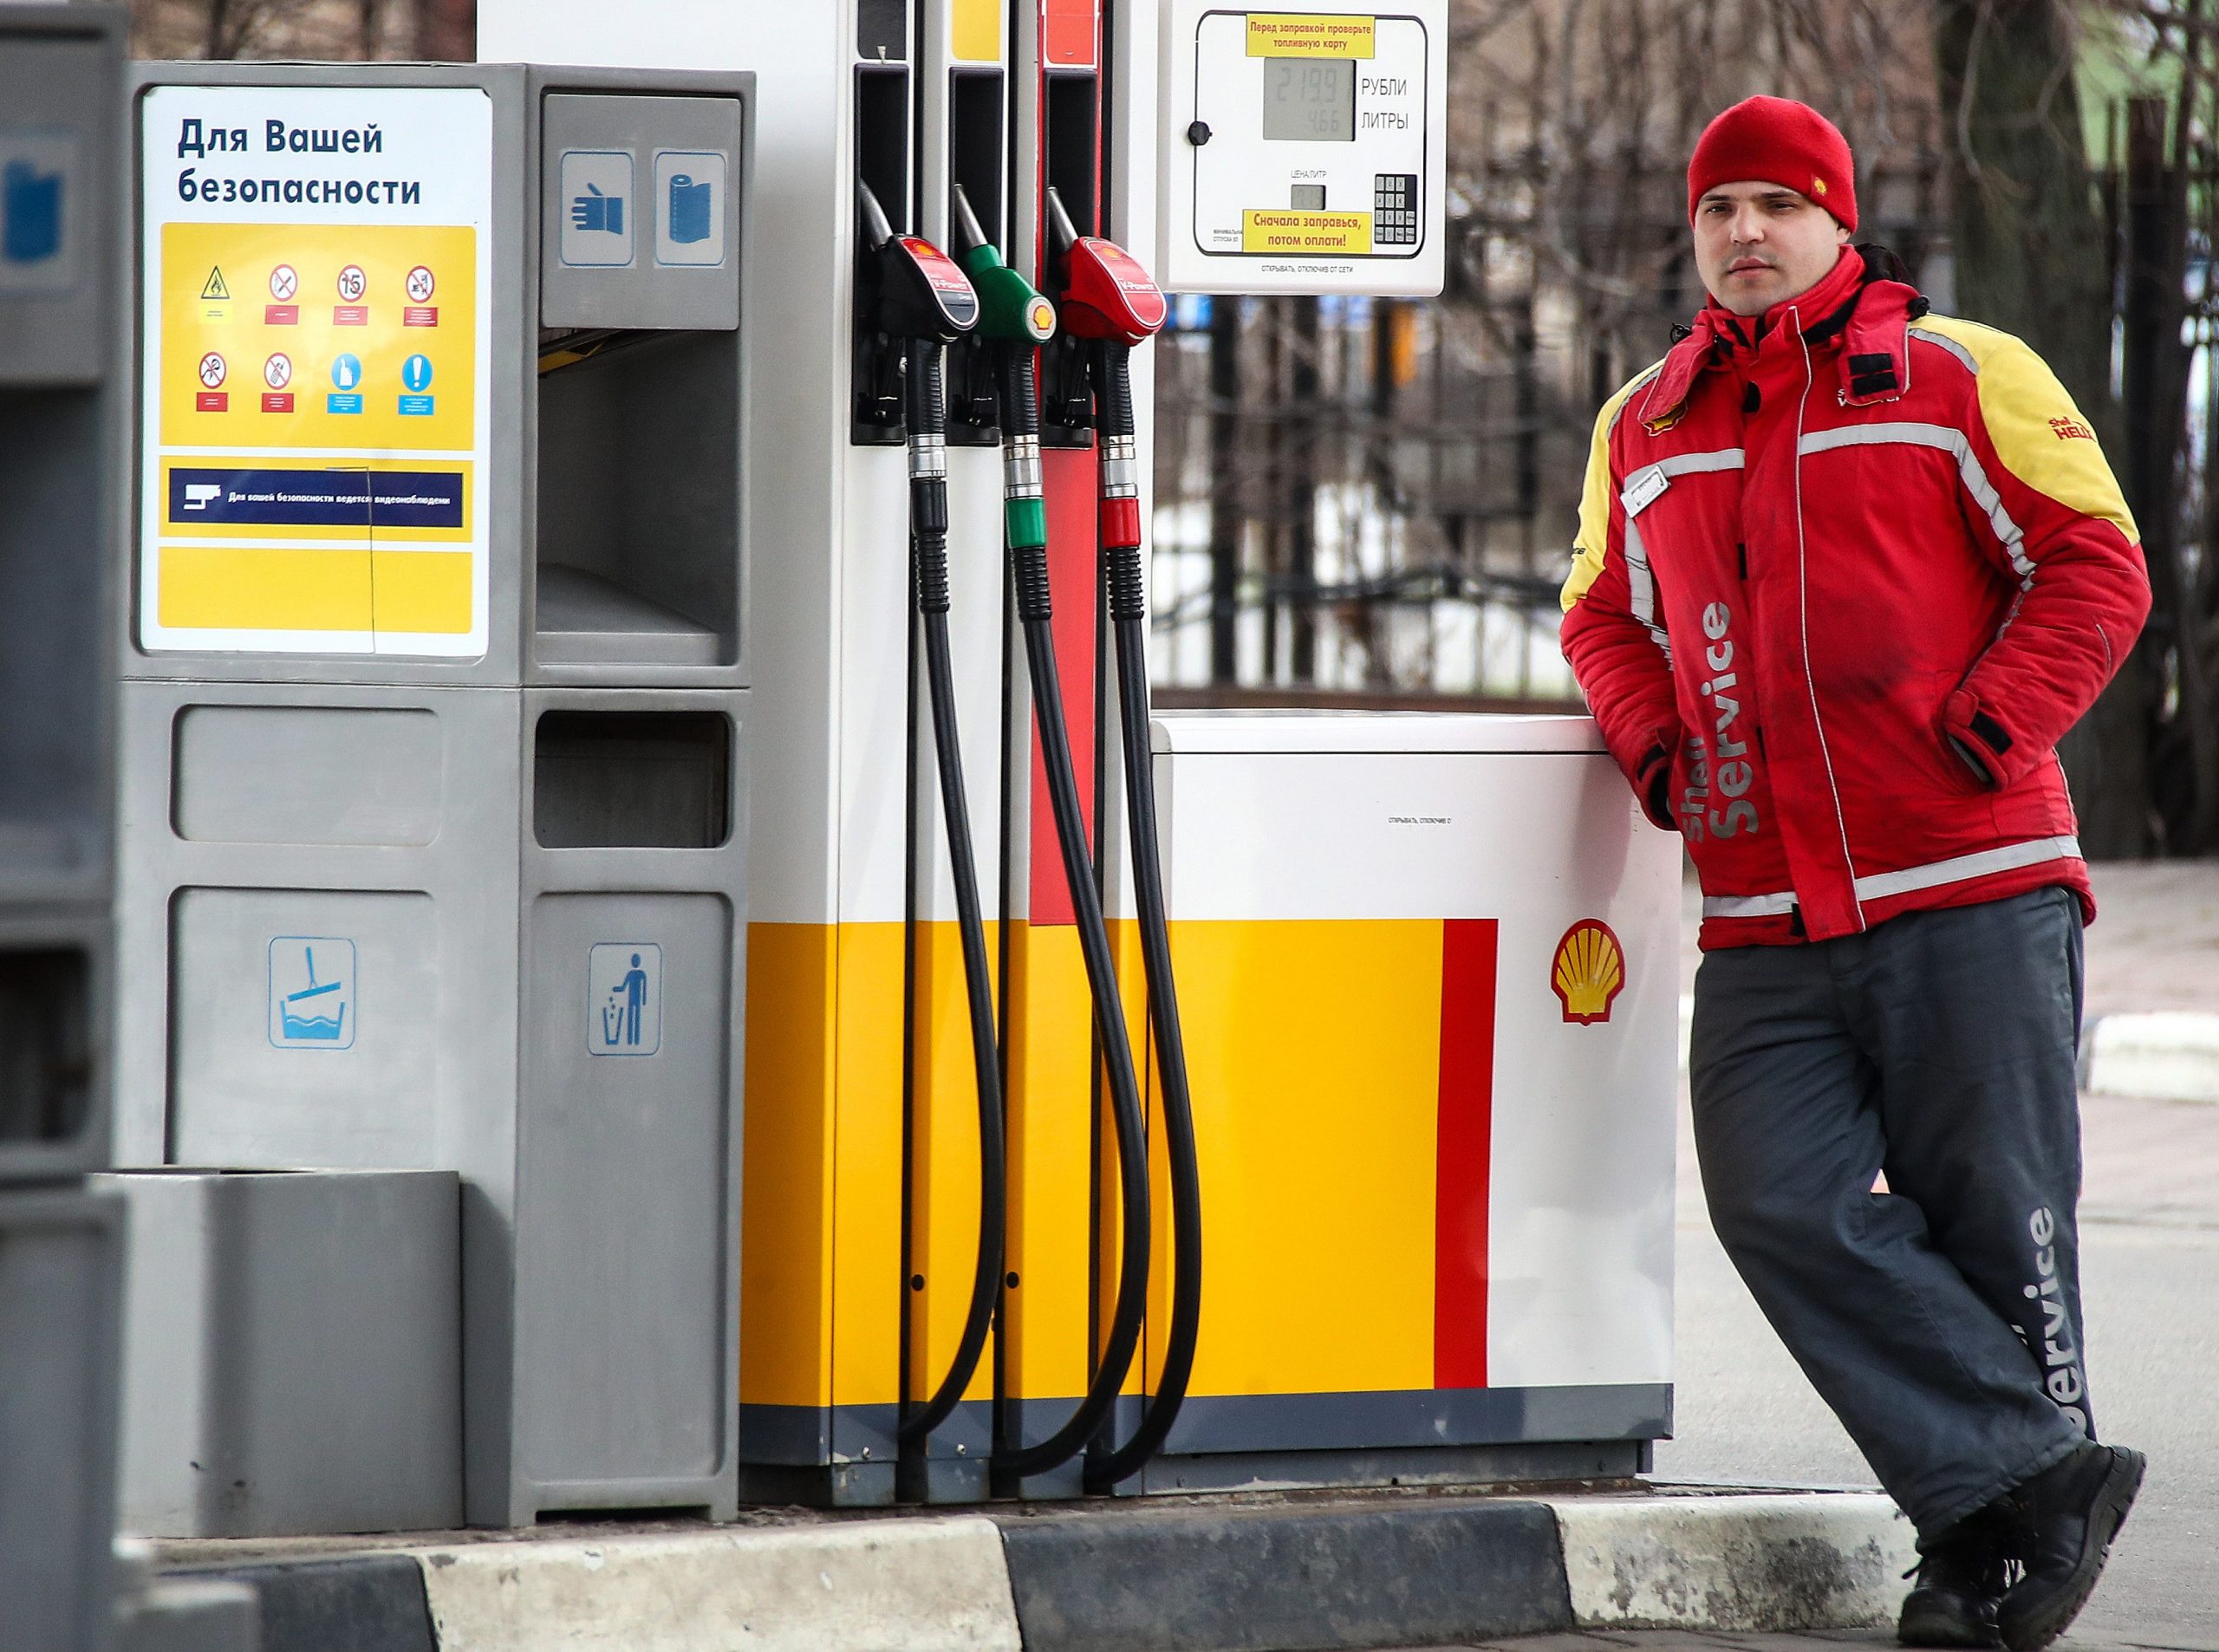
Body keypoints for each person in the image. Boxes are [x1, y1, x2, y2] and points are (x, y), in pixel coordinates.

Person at [1559, 96, 2151, 1651]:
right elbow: (1599, 615)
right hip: (1764, 915)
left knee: (1994, 1218)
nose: (1745, 233)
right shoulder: (1646, 421)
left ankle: (1983, 1554)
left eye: (1776, 204)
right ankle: (2042, 1476)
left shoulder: (1960, 374)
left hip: (1971, 878)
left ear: (1837, 220)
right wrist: (1666, 759)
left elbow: (2097, 558)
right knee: (1776, 1200)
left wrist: (1990, 726)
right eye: (1718, 211)